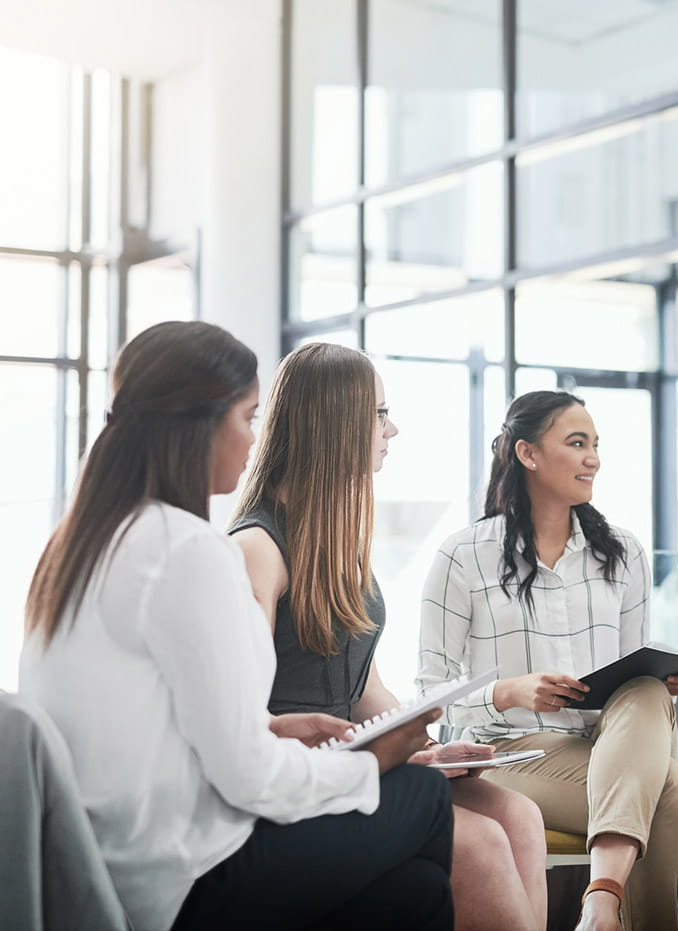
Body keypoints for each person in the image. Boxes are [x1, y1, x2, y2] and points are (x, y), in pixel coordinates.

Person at [20, 322, 451, 931]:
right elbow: (250, 781)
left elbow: (151, 719)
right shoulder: (185, 549)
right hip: (177, 878)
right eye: (249, 418)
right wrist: (373, 759)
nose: (256, 440)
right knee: (425, 799)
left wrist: (270, 726)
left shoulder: (80, 544)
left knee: (417, 891)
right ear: (202, 422)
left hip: (100, 861)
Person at [230, 343, 546, 931]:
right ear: (337, 423)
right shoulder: (258, 547)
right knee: (478, 845)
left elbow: (361, 685)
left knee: (520, 817)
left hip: (358, 760)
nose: (391, 429)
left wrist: (421, 738)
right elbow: (240, 714)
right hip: (300, 778)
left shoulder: (335, 539)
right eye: (379, 414)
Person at [419, 389, 678, 931]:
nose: (593, 458)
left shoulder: (623, 553)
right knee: (665, 788)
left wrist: (666, 678)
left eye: (596, 444)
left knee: (645, 691)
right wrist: (508, 692)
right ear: (527, 454)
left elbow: (631, 676)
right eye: (577, 443)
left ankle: (601, 905)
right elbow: (429, 693)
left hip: (600, 746)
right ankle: (606, 902)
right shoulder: (463, 554)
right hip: (506, 754)